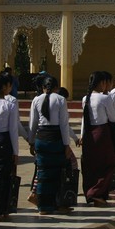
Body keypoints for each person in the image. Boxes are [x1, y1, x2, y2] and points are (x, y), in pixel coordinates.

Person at [29, 76, 72, 214]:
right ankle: (54, 203)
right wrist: (66, 144)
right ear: (56, 87)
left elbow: (33, 124)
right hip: (55, 139)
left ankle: (43, 205)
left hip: (41, 138)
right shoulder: (60, 100)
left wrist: (31, 141)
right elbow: (64, 124)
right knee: (56, 173)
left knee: (43, 173)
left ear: (43, 87)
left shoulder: (36, 100)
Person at [80, 71, 115, 207]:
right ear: (102, 83)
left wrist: (82, 135)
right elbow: (113, 117)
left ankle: (93, 192)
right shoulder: (104, 98)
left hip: (89, 133)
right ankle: (97, 192)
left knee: (91, 164)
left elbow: (84, 119)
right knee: (107, 163)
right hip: (102, 133)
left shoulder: (85, 98)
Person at [0, 75, 20, 220]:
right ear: (3, 87)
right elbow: (13, 129)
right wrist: (15, 151)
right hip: (4, 140)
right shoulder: (9, 105)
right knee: (3, 175)